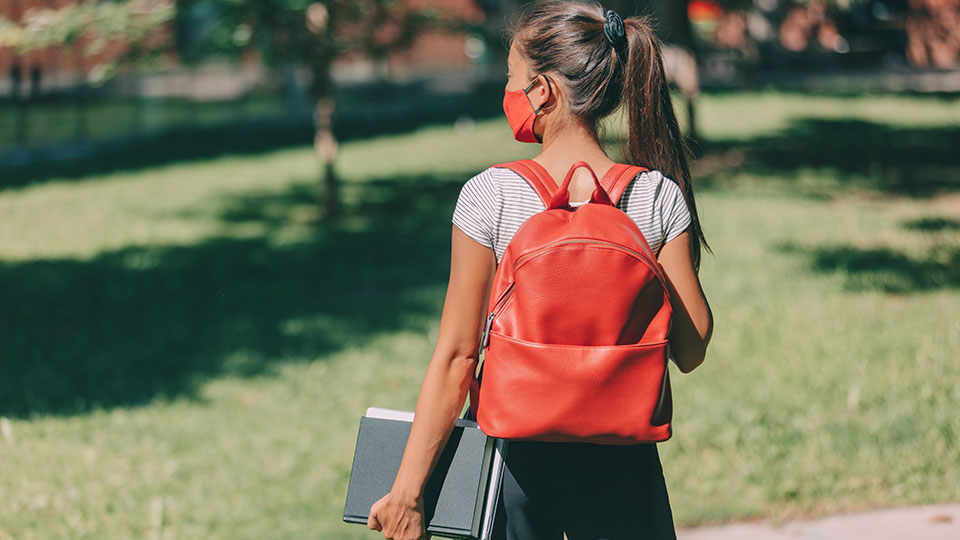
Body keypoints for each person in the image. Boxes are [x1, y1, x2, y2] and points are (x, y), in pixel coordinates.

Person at [367, 2, 713, 539]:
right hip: (626, 468)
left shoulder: (491, 195)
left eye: (512, 79)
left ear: (544, 91)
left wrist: (408, 494)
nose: (507, 94)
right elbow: (691, 351)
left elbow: (459, 357)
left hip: (516, 472)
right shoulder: (655, 195)